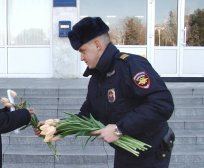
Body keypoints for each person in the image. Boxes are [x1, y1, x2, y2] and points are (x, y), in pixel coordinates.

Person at [35, 17, 175, 168]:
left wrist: (119, 129)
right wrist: (58, 127)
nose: (81, 58)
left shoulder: (130, 65)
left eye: (83, 51)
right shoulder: (97, 78)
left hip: (150, 152)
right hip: (126, 151)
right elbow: (87, 114)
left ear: (97, 45)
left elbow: (162, 104)